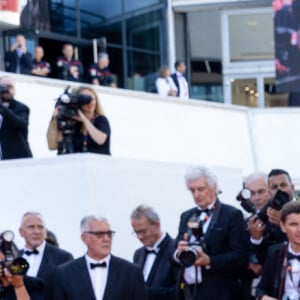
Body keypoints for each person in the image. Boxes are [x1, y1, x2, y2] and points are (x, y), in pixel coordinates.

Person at [174, 165, 249, 300]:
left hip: (219, 292)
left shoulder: (231, 215)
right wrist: (178, 253)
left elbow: (240, 256)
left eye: (201, 189)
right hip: (188, 292)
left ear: (213, 187)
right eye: (192, 190)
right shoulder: (186, 216)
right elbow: (172, 252)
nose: (196, 194)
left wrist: (210, 261)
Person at [54, 215, 147, 300]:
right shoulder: (64, 273)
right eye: (99, 234)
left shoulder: (131, 272)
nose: (106, 239)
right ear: (84, 238)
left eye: (109, 234)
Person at [19, 212, 73, 300]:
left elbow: (71, 292)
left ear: (46, 232)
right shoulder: (14, 258)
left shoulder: (63, 257)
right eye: (31, 227)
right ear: (21, 232)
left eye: (40, 227)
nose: (36, 231)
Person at [248, 169, 295, 266]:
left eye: (283, 185)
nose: (279, 190)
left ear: (292, 187)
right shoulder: (266, 214)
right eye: (274, 187)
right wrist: (257, 239)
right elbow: (265, 258)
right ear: (269, 192)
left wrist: (284, 225)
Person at [131, 204, 178, 300]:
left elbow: (180, 292)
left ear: (157, 225)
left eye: (143, 232)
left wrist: (146, 293)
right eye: (136, 233)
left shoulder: (176, 250)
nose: (140, 237)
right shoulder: (138, 254)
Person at [47, 86, 111, 155]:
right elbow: (52, 146)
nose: (90, 102)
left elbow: (101, 140)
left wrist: (83, 118)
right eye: (85, 99)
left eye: (93, 99)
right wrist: (55, 118)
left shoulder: (101, 120)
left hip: (99, 163)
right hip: (78, 164)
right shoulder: (73, 123)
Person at [256, 201, 300, 299]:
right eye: (293, 224)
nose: (299, 230)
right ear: (283, 227)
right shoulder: (275, 252)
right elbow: (261, 289)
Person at [240, 172, 271, 300]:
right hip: (248, 287)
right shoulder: (245, 221)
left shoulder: (280, 218)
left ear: (269, 191)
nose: (257, 197)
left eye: (261, 192)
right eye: (252, 193)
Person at [0, 76, 33, 160]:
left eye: (10, 87)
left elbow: (21, 124)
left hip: (17, 159)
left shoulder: (21, 108)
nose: (6, 89)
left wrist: (1, 107)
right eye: (3, 86)